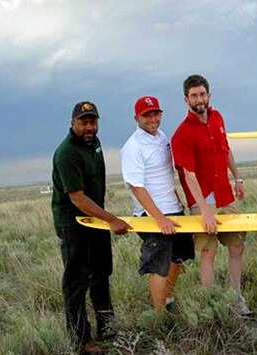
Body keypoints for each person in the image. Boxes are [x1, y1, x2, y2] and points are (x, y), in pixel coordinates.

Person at [51, 101, 131, 355]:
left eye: (93, 121)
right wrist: (112, 219)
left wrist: (104, 219)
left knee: (101, 273)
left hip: (95, 221)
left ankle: (107, 327)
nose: (89, 127)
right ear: (72, 123)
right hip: (74, 225)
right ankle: (81, 341)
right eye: (83, 122)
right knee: (76, 283)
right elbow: (78, 198)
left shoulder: (94, 144)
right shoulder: (66, 153)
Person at [171, 75, 251, 316]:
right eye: (194, 95)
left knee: (237, 246)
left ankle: (236, 298)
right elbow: (188, 174)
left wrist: (237, 178)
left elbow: (225, 149)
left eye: (202, 94)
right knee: (208, 251)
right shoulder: (182, 133)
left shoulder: (217, 118)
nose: (199, 99)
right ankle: (212, 304)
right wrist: (204, 209)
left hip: (225, 194)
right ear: (186, 99)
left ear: (209, 95)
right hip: (203, 199)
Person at [120, 96, 194, 313]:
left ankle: (167, 299)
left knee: (178, 258)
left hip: (174, 208)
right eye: (146, 115)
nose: (152, 119)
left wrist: (176, 197)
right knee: (159, 264)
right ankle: (159, 315)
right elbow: (137, 187)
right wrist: (159, 218)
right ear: (137, 118)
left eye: (155, 113)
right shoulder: (133, 147)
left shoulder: (161, 137)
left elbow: (164, 174)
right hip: (152, 216)